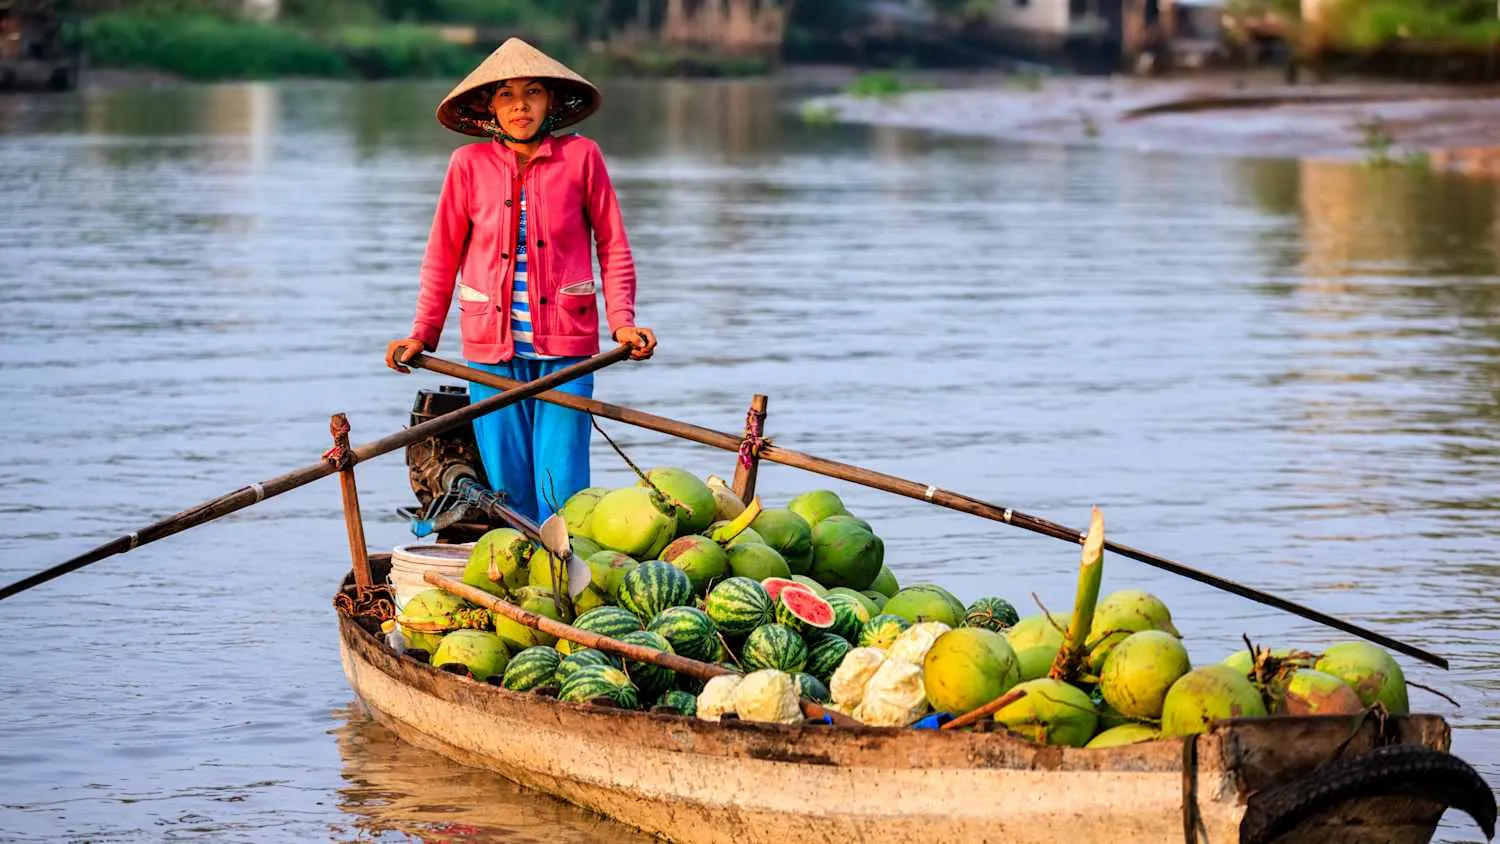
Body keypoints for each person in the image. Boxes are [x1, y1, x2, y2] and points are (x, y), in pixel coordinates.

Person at [385, 38, 656, 524]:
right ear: (490, 106)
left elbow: (613, 246)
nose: (520, 106)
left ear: (551, 100)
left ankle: (566, 576)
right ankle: (527, 579)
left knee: (563, 486)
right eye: (507, 95)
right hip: (490, 352)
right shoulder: (467, 166)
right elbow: (441, 258)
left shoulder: (582, 158)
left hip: (566, 355)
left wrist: (622, 325)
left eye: (532, 92)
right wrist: (421, 335)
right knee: (508, 488)